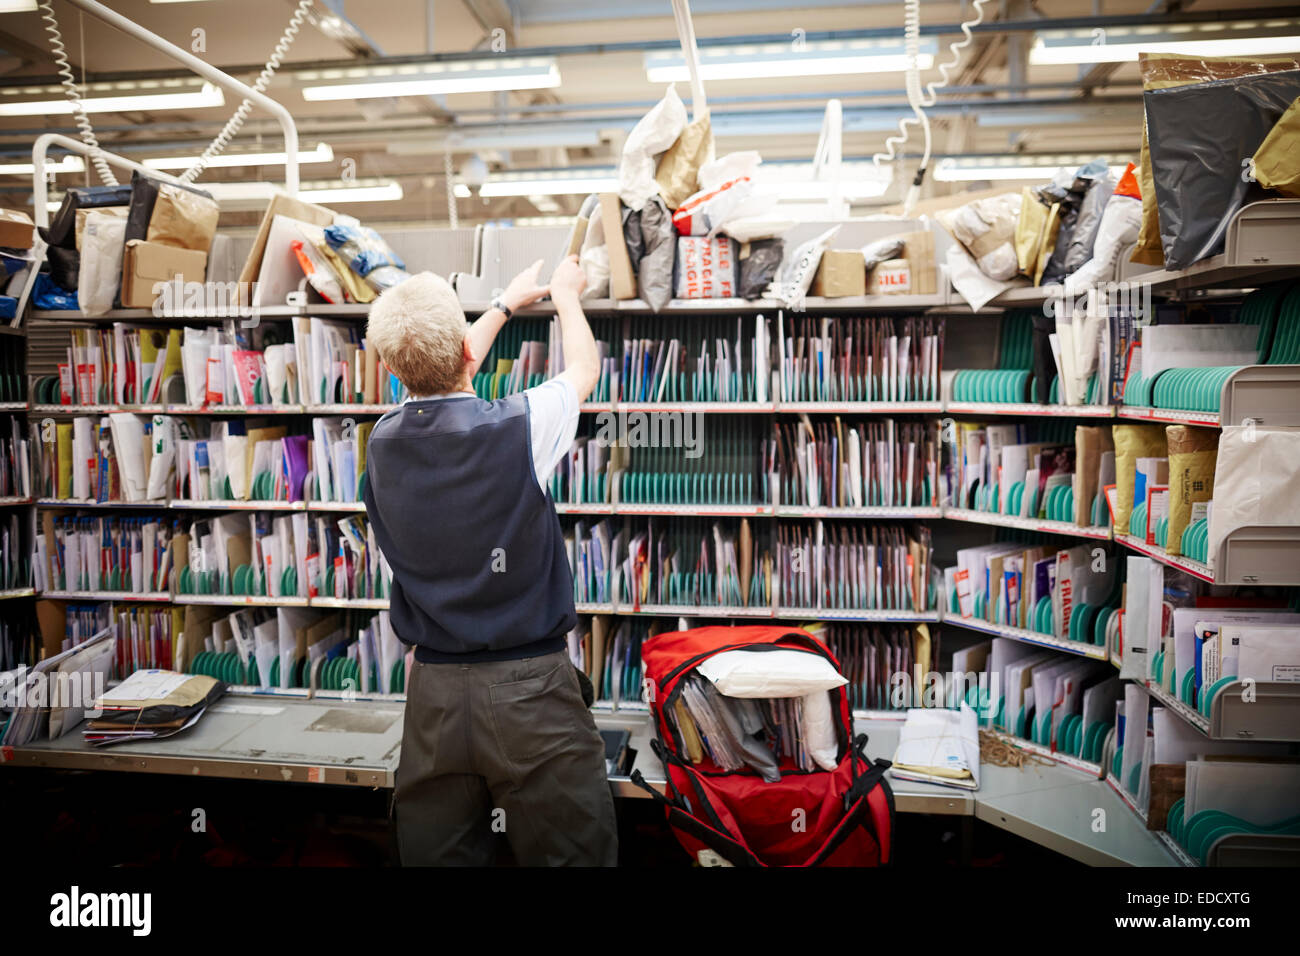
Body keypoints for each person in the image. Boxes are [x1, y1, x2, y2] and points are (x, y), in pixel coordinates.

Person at [362, 255, 616, 866]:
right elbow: (583, 369)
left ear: (391, 371)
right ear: (468, 356)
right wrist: (564, 295)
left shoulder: (381, 444)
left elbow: (436, 374)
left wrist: (503, 305)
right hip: (531, 691)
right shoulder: (520, 426)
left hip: (434, 699)